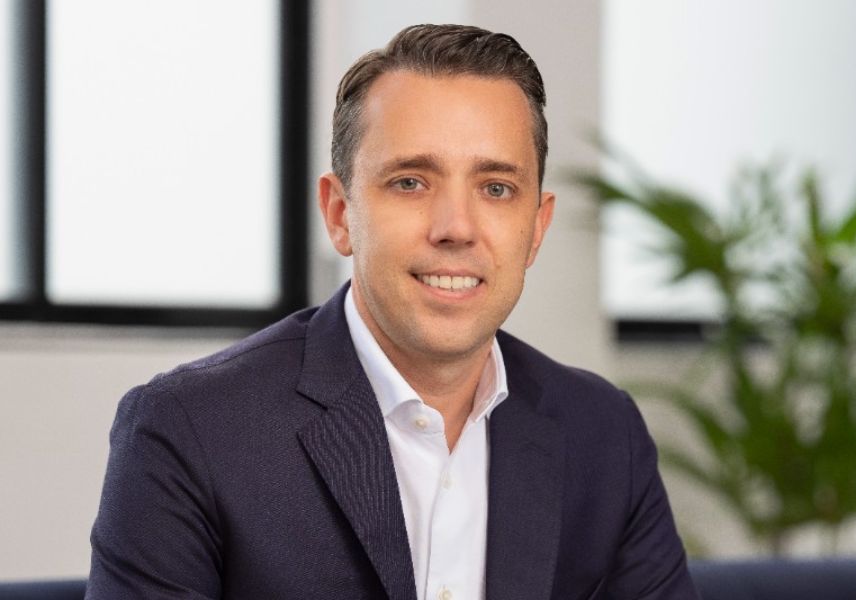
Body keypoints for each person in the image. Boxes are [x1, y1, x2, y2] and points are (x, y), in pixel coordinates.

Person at [86, 24, 699, 600]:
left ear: (536, 229)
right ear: (339, 214)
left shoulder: (604, 433)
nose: (456, 228)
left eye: (496, 188)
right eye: (410, 182)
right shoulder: (190, 429)